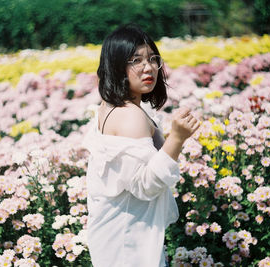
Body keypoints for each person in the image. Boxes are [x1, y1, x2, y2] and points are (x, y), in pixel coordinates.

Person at [83, 24, 199, 267]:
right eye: (136, 60)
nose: (148, 67)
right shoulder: (129, 115)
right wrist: (177, 138)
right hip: (127, 243)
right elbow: (144, 185)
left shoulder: (116, 105)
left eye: (152, 58)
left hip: (121, 235)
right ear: (117, 67)